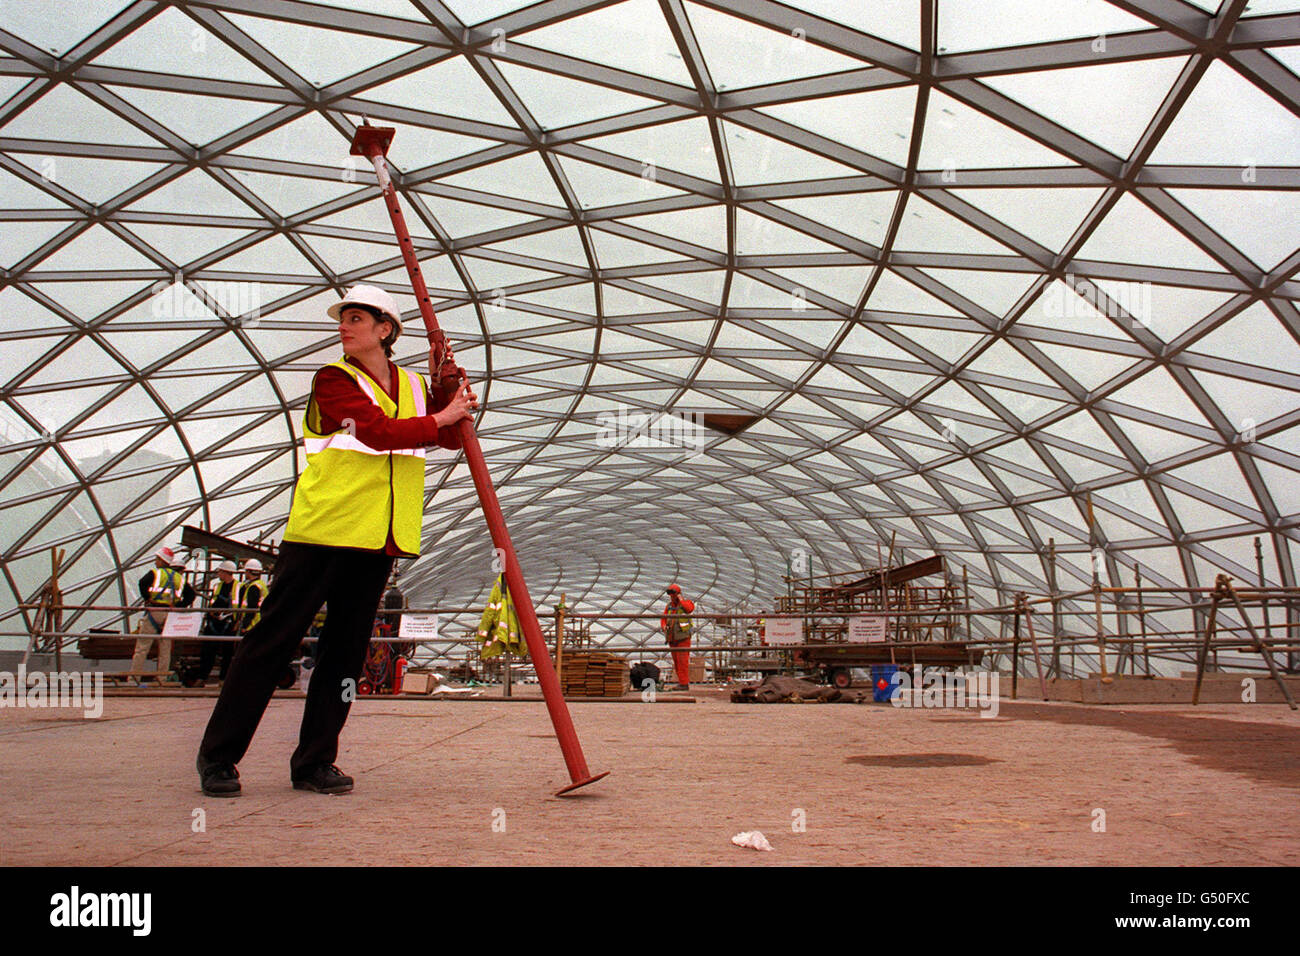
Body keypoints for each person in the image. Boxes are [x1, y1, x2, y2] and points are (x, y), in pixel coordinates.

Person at [196, 284, 477, 798]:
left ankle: (315, 761)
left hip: (378, 540)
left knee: (343, 655)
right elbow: (374, 432)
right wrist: (440, 416)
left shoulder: (413, 384)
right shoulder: (333, 379)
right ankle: (218, 758)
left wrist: (446, 390)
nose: (343, 326)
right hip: (324, 532)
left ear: (385, 330)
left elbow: (451, 437)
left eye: (355, 318)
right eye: (342, 318)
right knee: (271, 643)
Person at [130, 545, 195, 680]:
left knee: (142, 647)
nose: (155, 561)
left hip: (154, 610)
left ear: (161, 560)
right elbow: (190, 595)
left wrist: (147, 598)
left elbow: (142, 583)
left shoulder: (155, 573)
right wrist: (179, 605)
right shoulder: (179, 578)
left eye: (157, 559)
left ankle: (134, 677)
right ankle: (162, 678)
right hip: (170, 614)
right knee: (165, 649)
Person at [186, 560, 241, 687]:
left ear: (226, 572)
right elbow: (213, 601)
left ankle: (223, 680)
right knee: (207, 651)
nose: (218, 573)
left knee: (227, 653)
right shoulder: (218, 586)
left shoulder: (238, 587)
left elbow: (241, 605)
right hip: (214, 622)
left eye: (220, 571)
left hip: (229, 623)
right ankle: (202, 677)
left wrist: (237, 621)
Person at [660, 584, 695, 691]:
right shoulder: (669, 606)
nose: (671, 596)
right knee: (676, 661)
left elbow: (689, 609)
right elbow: (664, 618)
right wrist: (663, 626)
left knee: (682, 661)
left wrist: (681, 600)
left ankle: (684, 683)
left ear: (678, 594)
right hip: (672, 637)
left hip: (683, 637)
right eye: (670, 594)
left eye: (673, 594)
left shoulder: (686, 603)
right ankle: (682, 682)